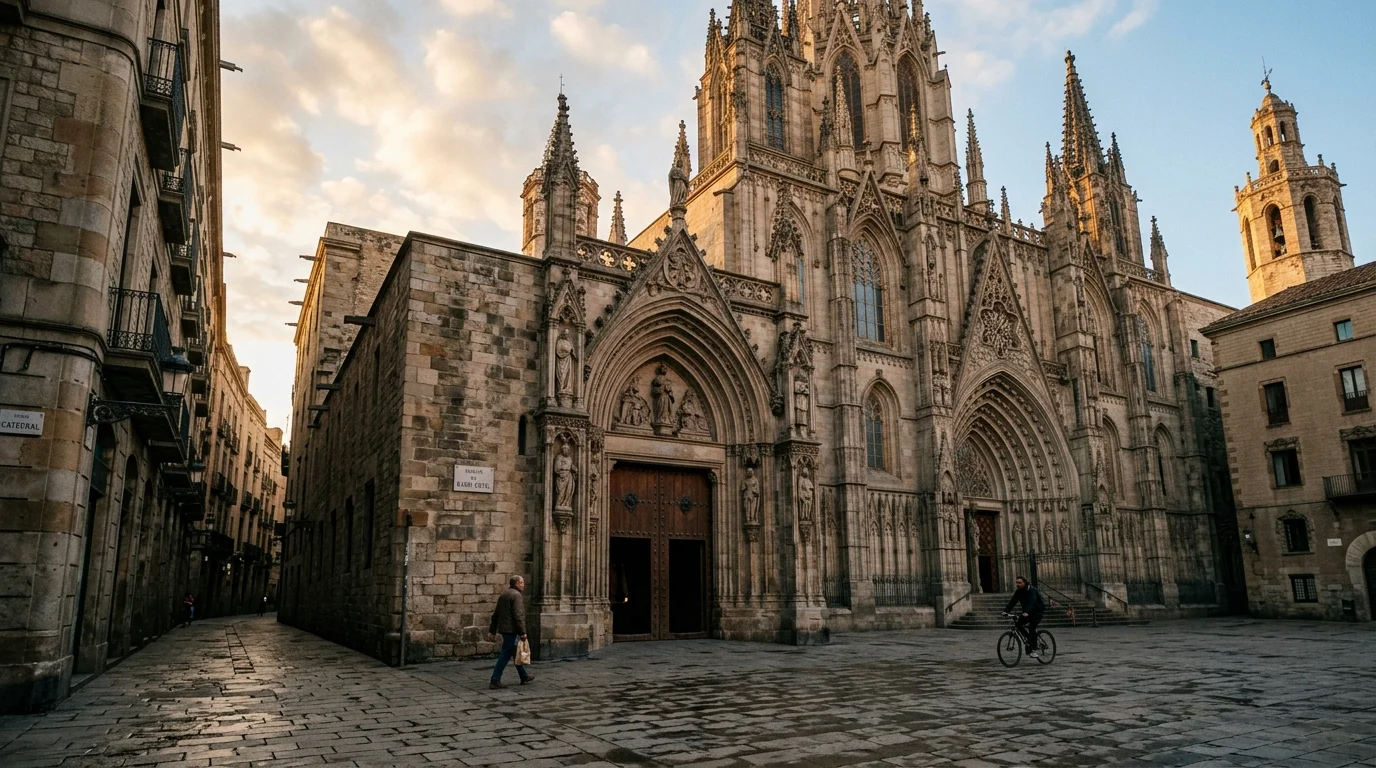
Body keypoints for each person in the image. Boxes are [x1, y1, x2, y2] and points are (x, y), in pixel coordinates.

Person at [488, 576, 533, 689]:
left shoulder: (504, 594)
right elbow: (518, 616)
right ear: (517, 583)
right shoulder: (516, 596)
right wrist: (522, 632)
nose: (523, 585)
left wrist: (492, 630)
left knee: (514, 651)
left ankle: (523, 676)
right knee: (506, 653)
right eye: (522, 582)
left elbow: (496, 615)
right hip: (511, 630)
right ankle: (495, 679)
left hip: (505, 629)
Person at [1003, 576, 1045, 658]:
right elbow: (1013, 601)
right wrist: (1006, 611)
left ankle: (1033, 649)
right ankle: (1029, 639)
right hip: (1027, 612)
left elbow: (1032, 602)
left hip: (1037, 612)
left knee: (1032, 628)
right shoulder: (1019, 591)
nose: (1017, 584)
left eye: (1019, 583)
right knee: (1018, 624)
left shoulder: (1032, 590)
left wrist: (1027, 612)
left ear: (1024, 583)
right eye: (1017, 583)